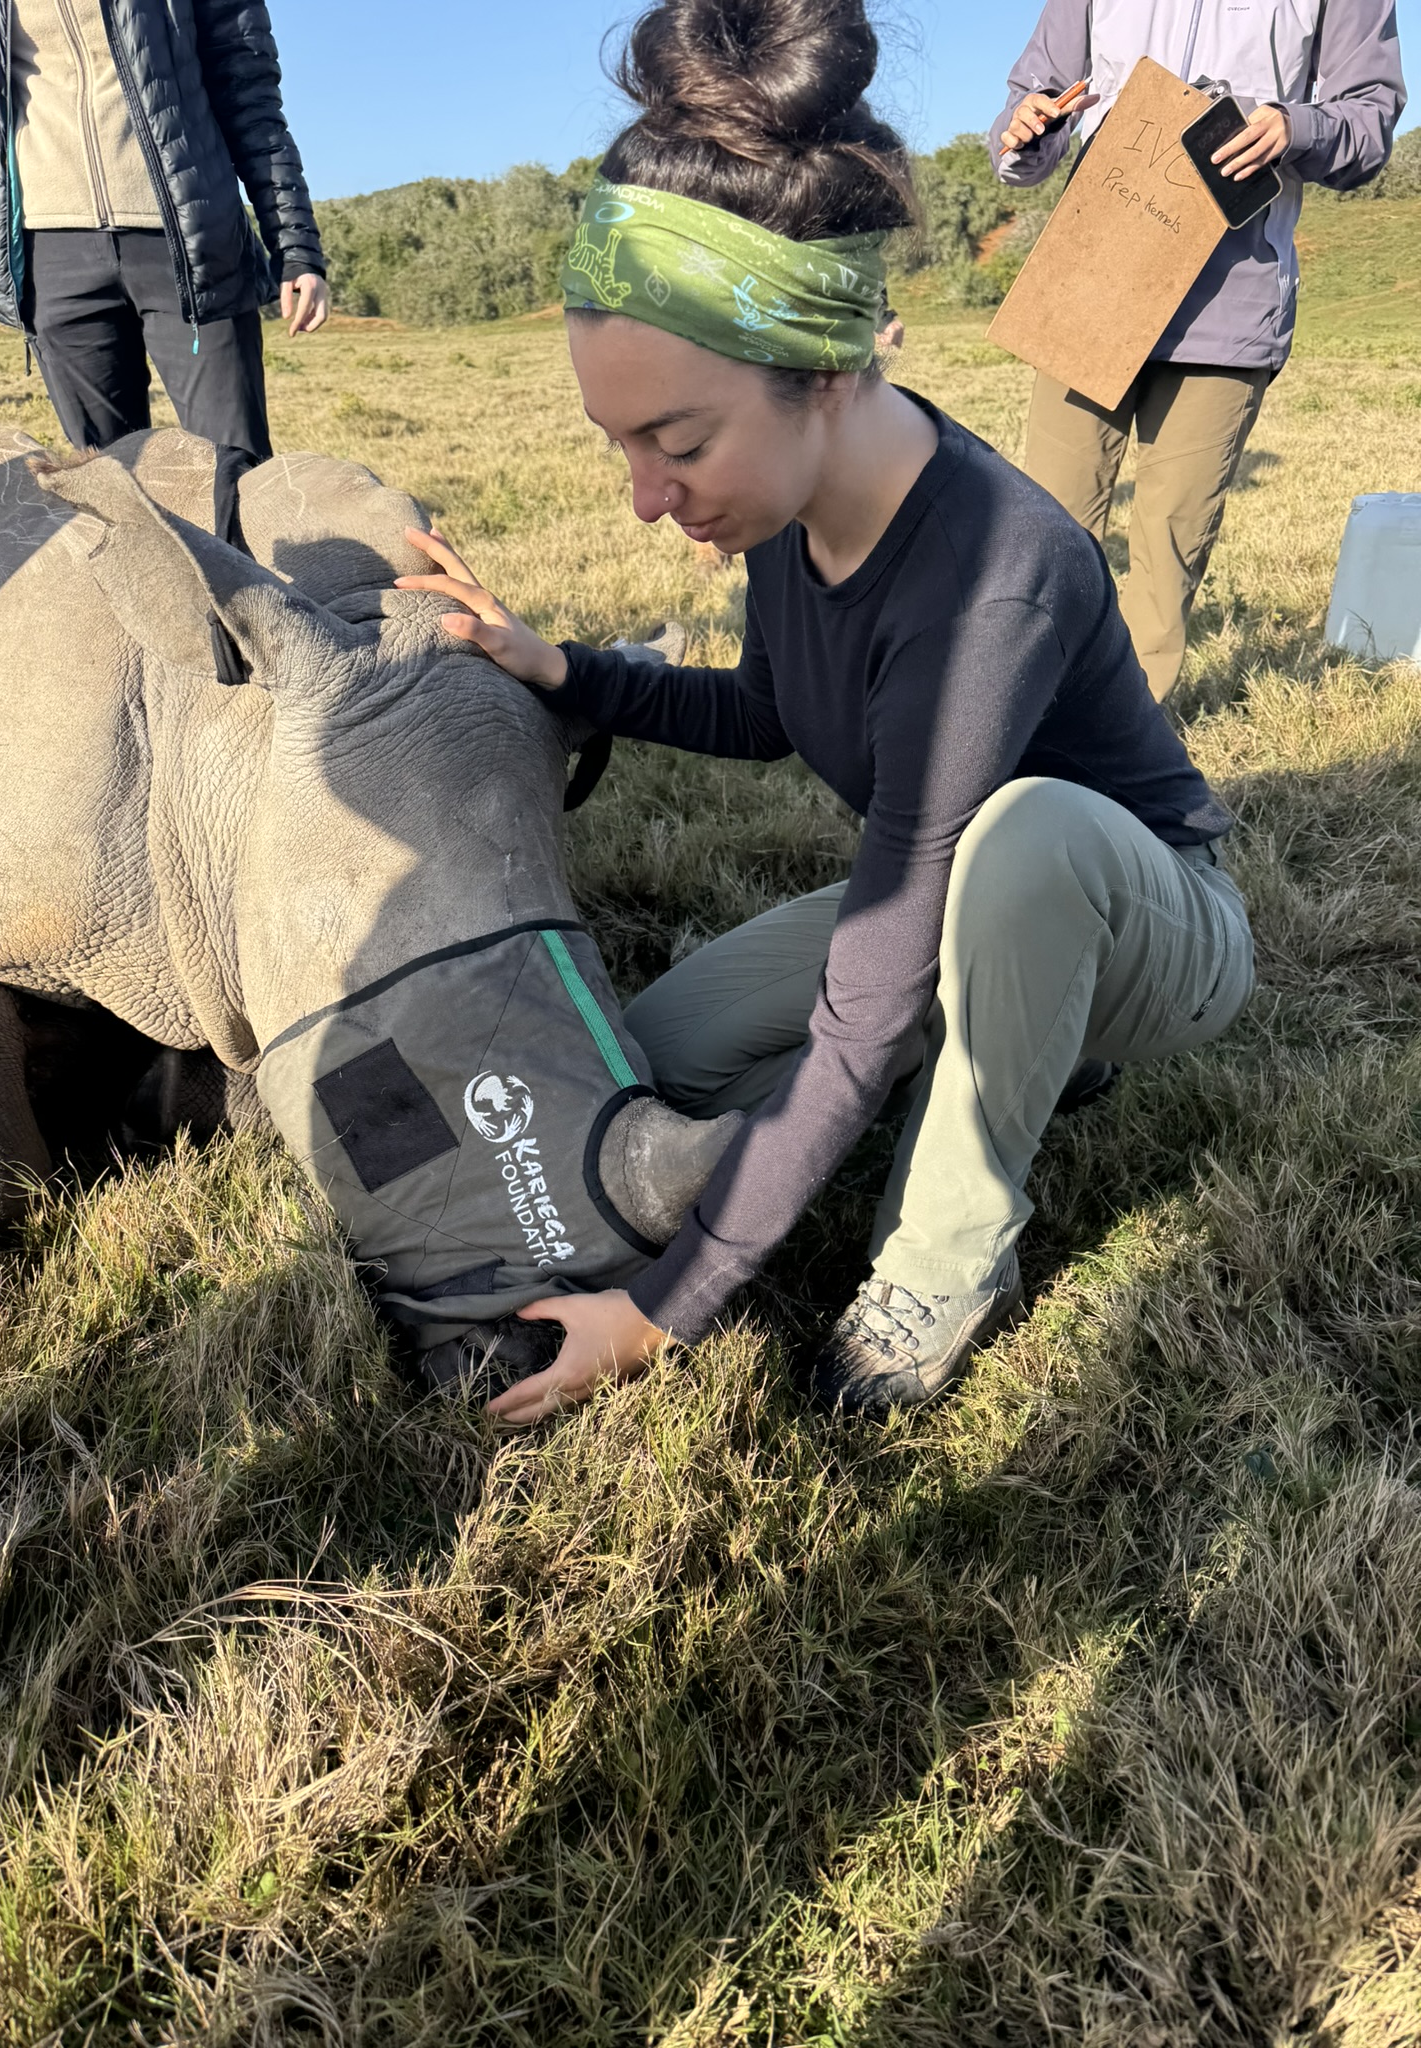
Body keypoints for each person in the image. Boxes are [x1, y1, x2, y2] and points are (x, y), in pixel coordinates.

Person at [395, 0, 1256, 1426]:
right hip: (946, 893)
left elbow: (862, 1010)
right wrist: (571, 674)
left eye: (677, 441)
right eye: (622, 444)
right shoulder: (792, 516)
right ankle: (995, 1038)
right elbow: (767, 711)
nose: (646, 497)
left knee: (1019, 849)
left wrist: (664, 1317)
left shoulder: (997, 573)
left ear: (829, 372)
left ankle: (942, 1258)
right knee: (652, 1056)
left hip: (1142, 919)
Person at [991, 0, 1405, 701]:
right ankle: (1024, 734)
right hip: (1091, 280)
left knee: (1166, 557)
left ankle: (1125, 761)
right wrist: (1026, 125)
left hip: (1230, 303)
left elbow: (1370, 119)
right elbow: (1028, 108)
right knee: (1048, 541)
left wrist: (1292, 124)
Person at [0, 0, 329, 467]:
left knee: (233, 474)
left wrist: (295, 244)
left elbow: (251, 97)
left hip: (194, 243)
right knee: (109, 486)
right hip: (52, 258)